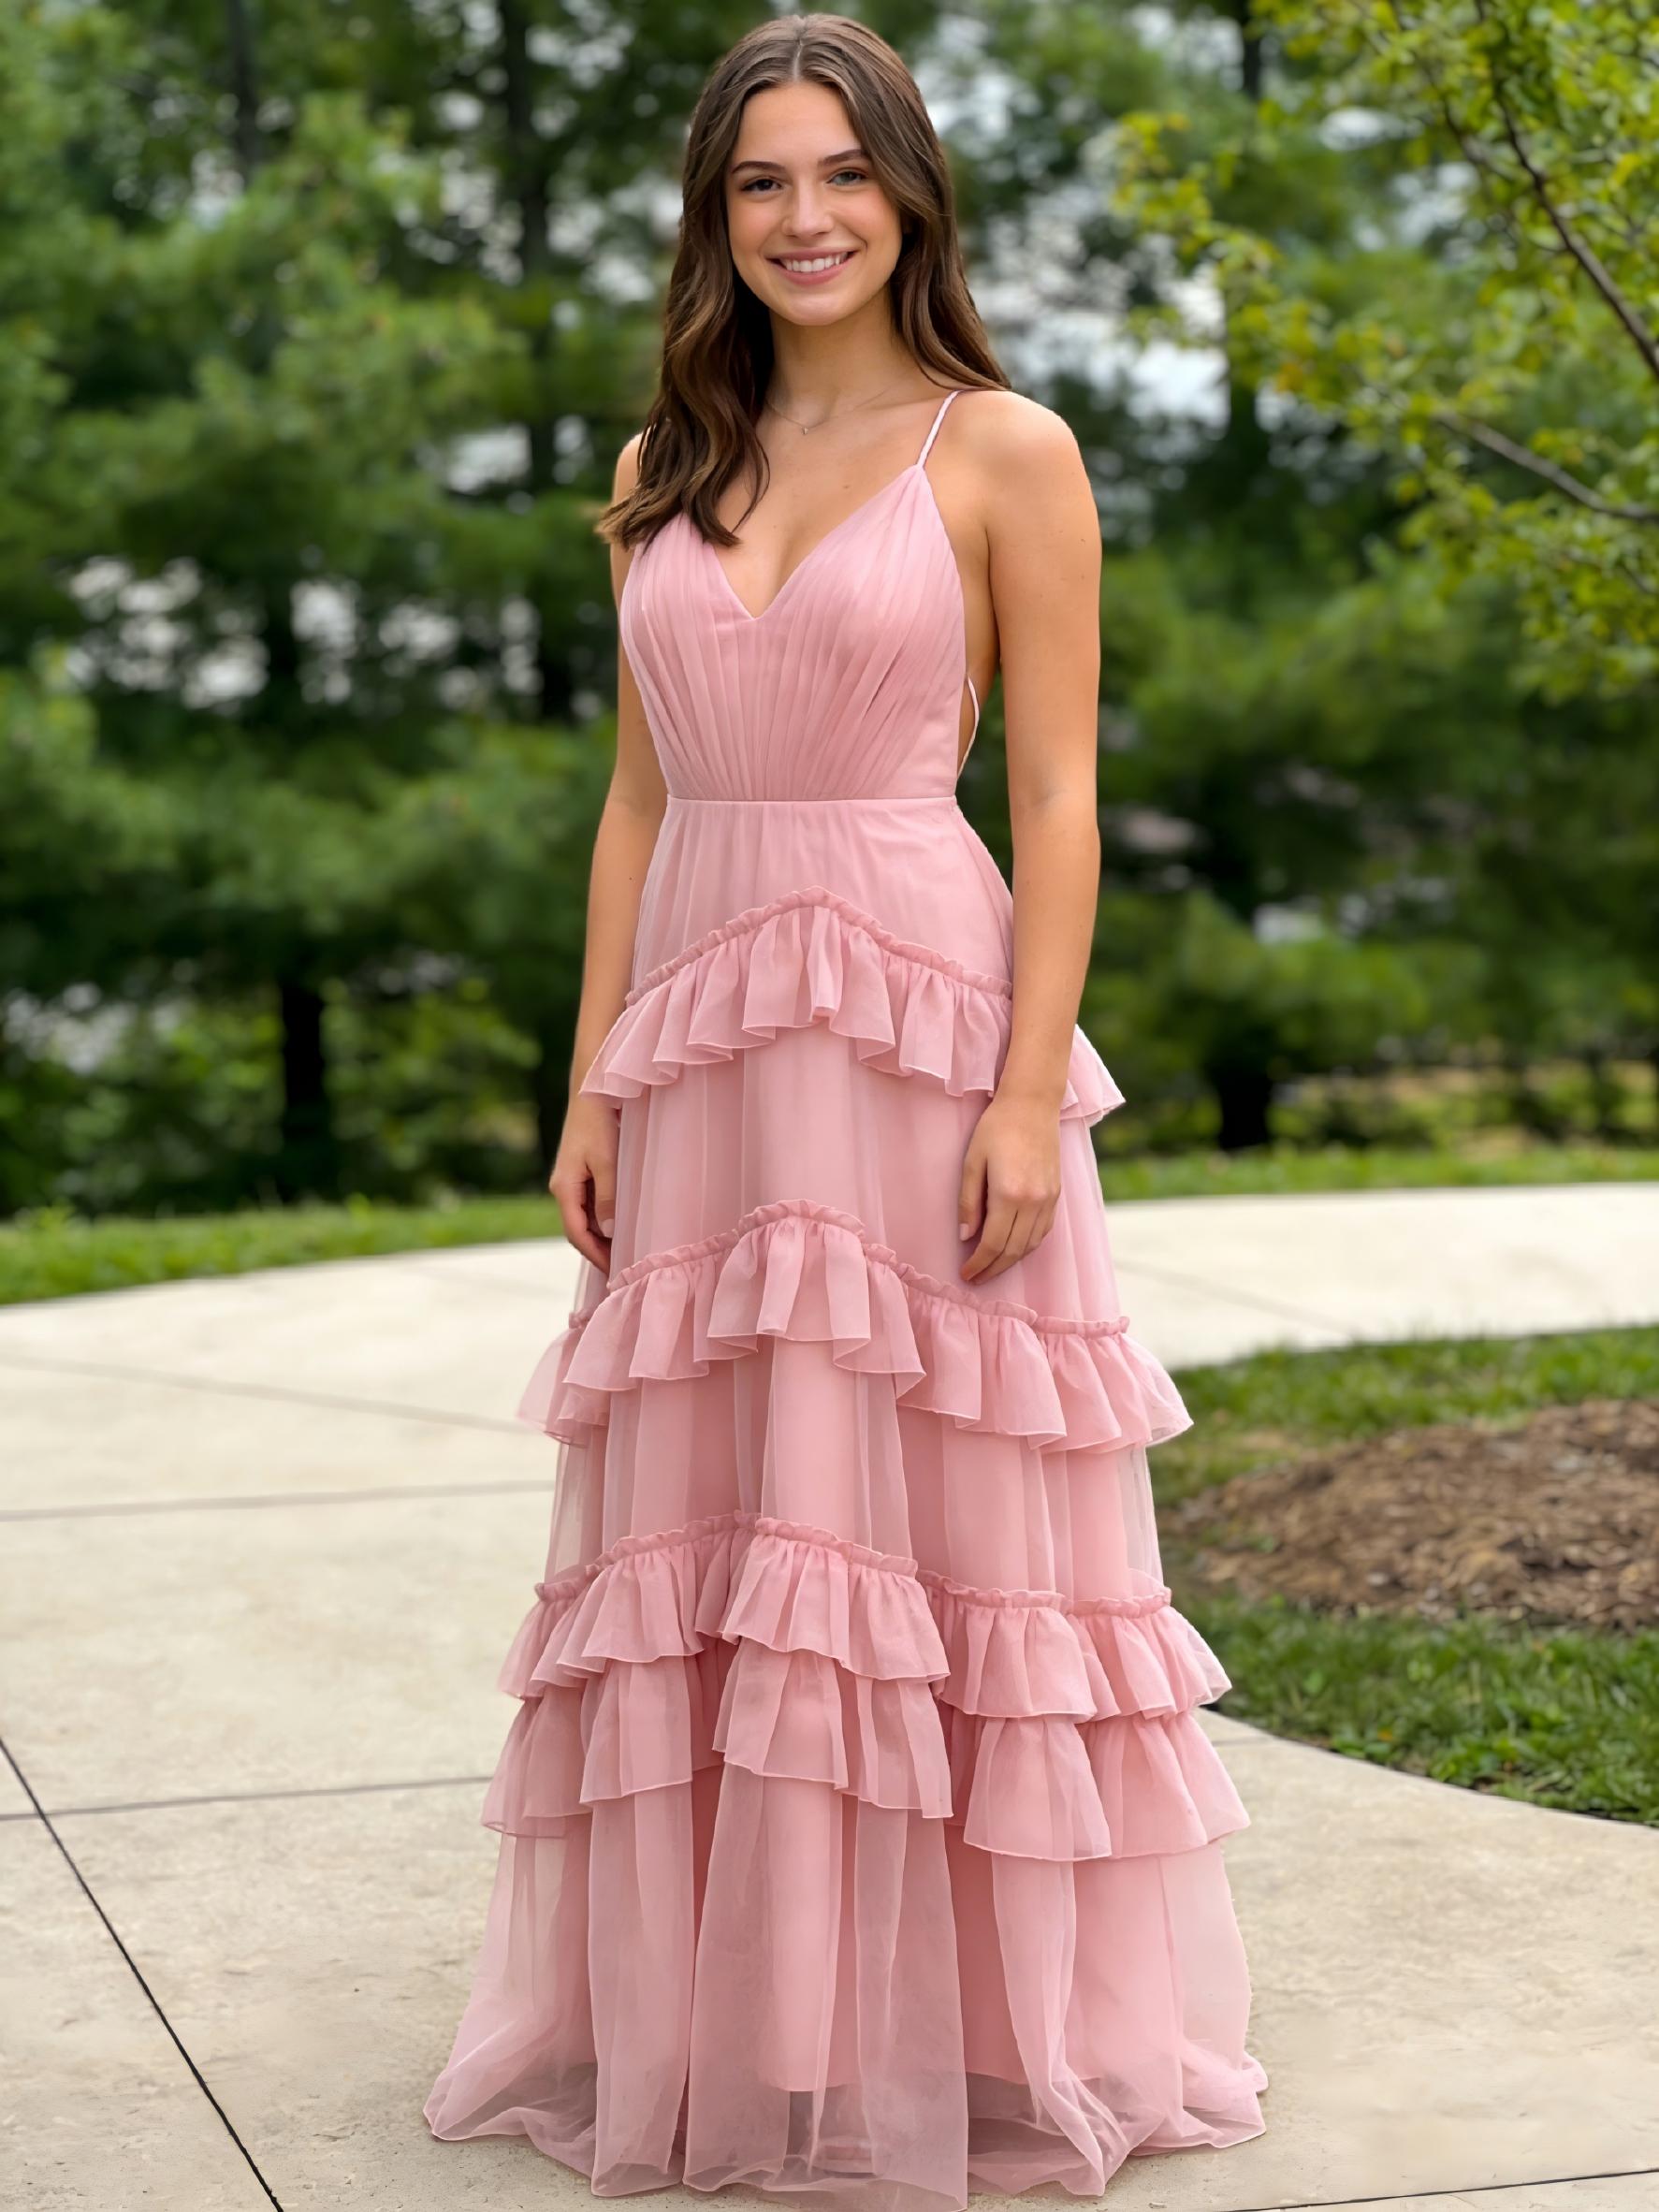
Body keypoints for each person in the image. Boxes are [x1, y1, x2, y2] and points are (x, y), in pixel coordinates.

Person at [423, 14, 1268, 2206]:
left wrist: (1023, 1092)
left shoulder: (1005, 450)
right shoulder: (663, 463)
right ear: (713, 217)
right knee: (721, 1536)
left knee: (935, 1536)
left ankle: (962, 2035)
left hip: (916, 1029)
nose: (803, 218)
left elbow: (1056, 794)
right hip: (704, 1043)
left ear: (907, 194)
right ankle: (744, 2033)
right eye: (757, 182)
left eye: (839, 174)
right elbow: (634, 805)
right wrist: (592, 1079)